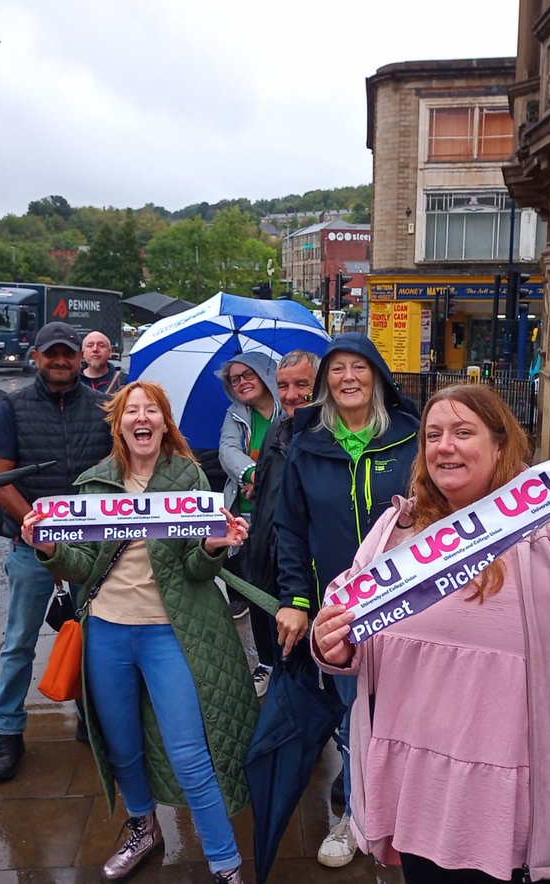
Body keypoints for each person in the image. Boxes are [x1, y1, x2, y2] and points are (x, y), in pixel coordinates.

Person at [311, 384, 550, 884]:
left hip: (523, 800)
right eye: (433, 434)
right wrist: (331, 642)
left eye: (464, 432)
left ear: (500, 446)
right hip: (421, 793)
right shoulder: (396, 529)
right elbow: (344, 617)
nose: (445, 446)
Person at [20, 381, 254, 884]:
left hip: (170, 633)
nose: (142, 418)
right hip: (106, 631)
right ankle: (143, 828)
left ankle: (225, 863)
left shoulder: (189, 479)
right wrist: (46, 548)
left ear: (165, 423)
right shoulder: (95, 483)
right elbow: (82, 565)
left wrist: (214, 547)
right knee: (122, 745)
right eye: (132, 411)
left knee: (190, 754)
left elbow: (197, 569)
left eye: (153, 410)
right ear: (119, 423)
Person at [272, 332, 418, 868]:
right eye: (337, 370)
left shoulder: (412, 437)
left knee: (410, 716)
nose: (348, 378)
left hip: (413, 605)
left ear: (377, 374)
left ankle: (411, 811)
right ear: (325, 383)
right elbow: (291, 528)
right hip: (341, 614)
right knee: (354, 716)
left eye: (359, 367)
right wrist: (295, 598)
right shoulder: (307, 445)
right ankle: (357, 814)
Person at [0, 321, 113, 781]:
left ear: (81, 359)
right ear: (35, 357)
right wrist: (35, 528)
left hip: (90, 551)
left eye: (68, 354)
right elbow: (0, 477)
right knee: (18, 643)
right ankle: (7, 731)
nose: (60, 361)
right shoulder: (12, 408)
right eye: (50, 354)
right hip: (31, 548)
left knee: (92, 638)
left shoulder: (103, 407)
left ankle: (88, 716)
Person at [244, 350, 319, 694]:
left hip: (308, 576)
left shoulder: (326, 437)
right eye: (283, 385)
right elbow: (264, 499)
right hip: (268, 563)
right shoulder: (279, 428)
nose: (290, 394)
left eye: (302, 384)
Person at [217, 351, 284, 693]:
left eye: (248, 375)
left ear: (264, 375)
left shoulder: (288, 410)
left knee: (284, 592)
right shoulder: (235, 415)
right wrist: (251, 472)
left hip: (281, 516)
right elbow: (227, 452)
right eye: (234, 378)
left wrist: (268, 476)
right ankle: (267, 663)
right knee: (256, 593)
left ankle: (289, 662)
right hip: (245, 516)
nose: (241, 382)